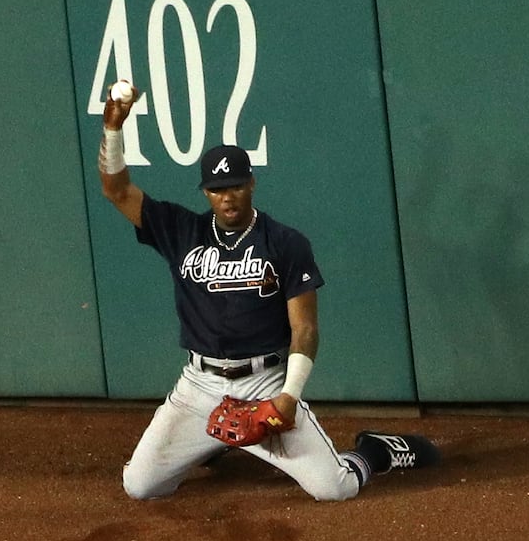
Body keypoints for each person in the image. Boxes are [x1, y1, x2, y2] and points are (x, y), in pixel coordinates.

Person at [97, 82, 438, 501]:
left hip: (266, 383)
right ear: (206, 192)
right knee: (140, 486)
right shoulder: (180, 230)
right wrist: (113, 130)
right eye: (218, 189)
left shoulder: (284, 241)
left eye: (236, 185)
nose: (228, 197)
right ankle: (215, 441)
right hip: (199, 387)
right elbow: (116, 190)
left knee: (334, 488)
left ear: (252, 184)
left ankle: (373, 453)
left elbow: (306, 329)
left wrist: (288, 397)